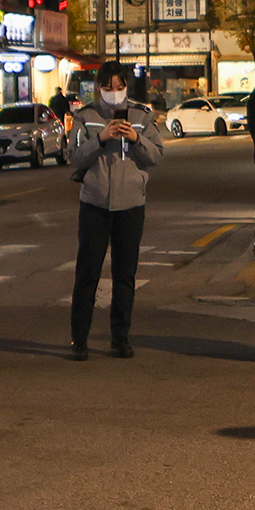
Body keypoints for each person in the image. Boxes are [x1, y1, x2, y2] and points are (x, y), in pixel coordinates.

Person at [67, 60, 165, 360]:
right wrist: (102, 137)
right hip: (95, 203)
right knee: (88, 272)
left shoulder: (142, 115)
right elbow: (74, 156)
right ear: (99, 87)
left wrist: (135, 138)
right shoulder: (86, 116)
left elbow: (157, 155)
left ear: (126, 86)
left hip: (131, 204)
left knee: (125, 274)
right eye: (108, 87)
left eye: (119, 87)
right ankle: (79, 340)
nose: (114, 93)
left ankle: (120, 338)